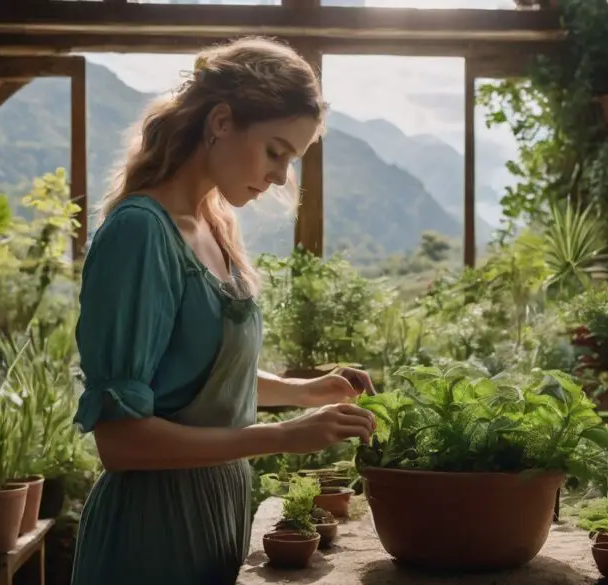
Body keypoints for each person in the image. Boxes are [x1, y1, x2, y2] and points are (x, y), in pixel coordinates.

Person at [69, 37, 377, 585]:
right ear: (220, 122)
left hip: (217, 516)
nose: (282, 177)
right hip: (151, 536)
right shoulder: (141, 233)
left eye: (292, 160)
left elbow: (200, 377)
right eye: (275, 151)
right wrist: (284, 436)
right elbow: (121, 442)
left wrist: (306, 392)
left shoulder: (215, 225)